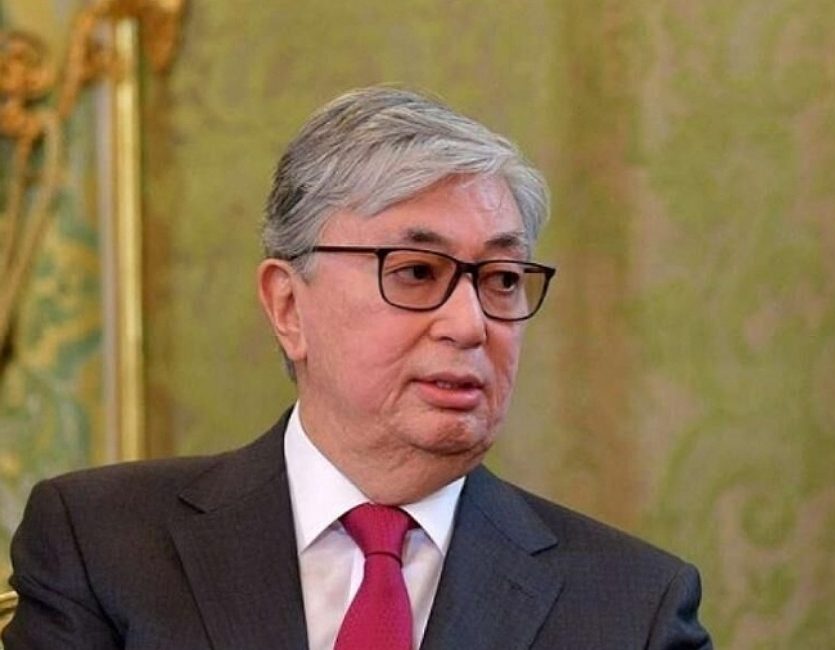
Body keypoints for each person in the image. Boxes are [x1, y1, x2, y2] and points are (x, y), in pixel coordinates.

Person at [2, 86, 712, 650]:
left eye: (501, 279)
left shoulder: (633, 609)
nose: (471, 324)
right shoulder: (102, 545)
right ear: (288, 306)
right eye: (416, 272)